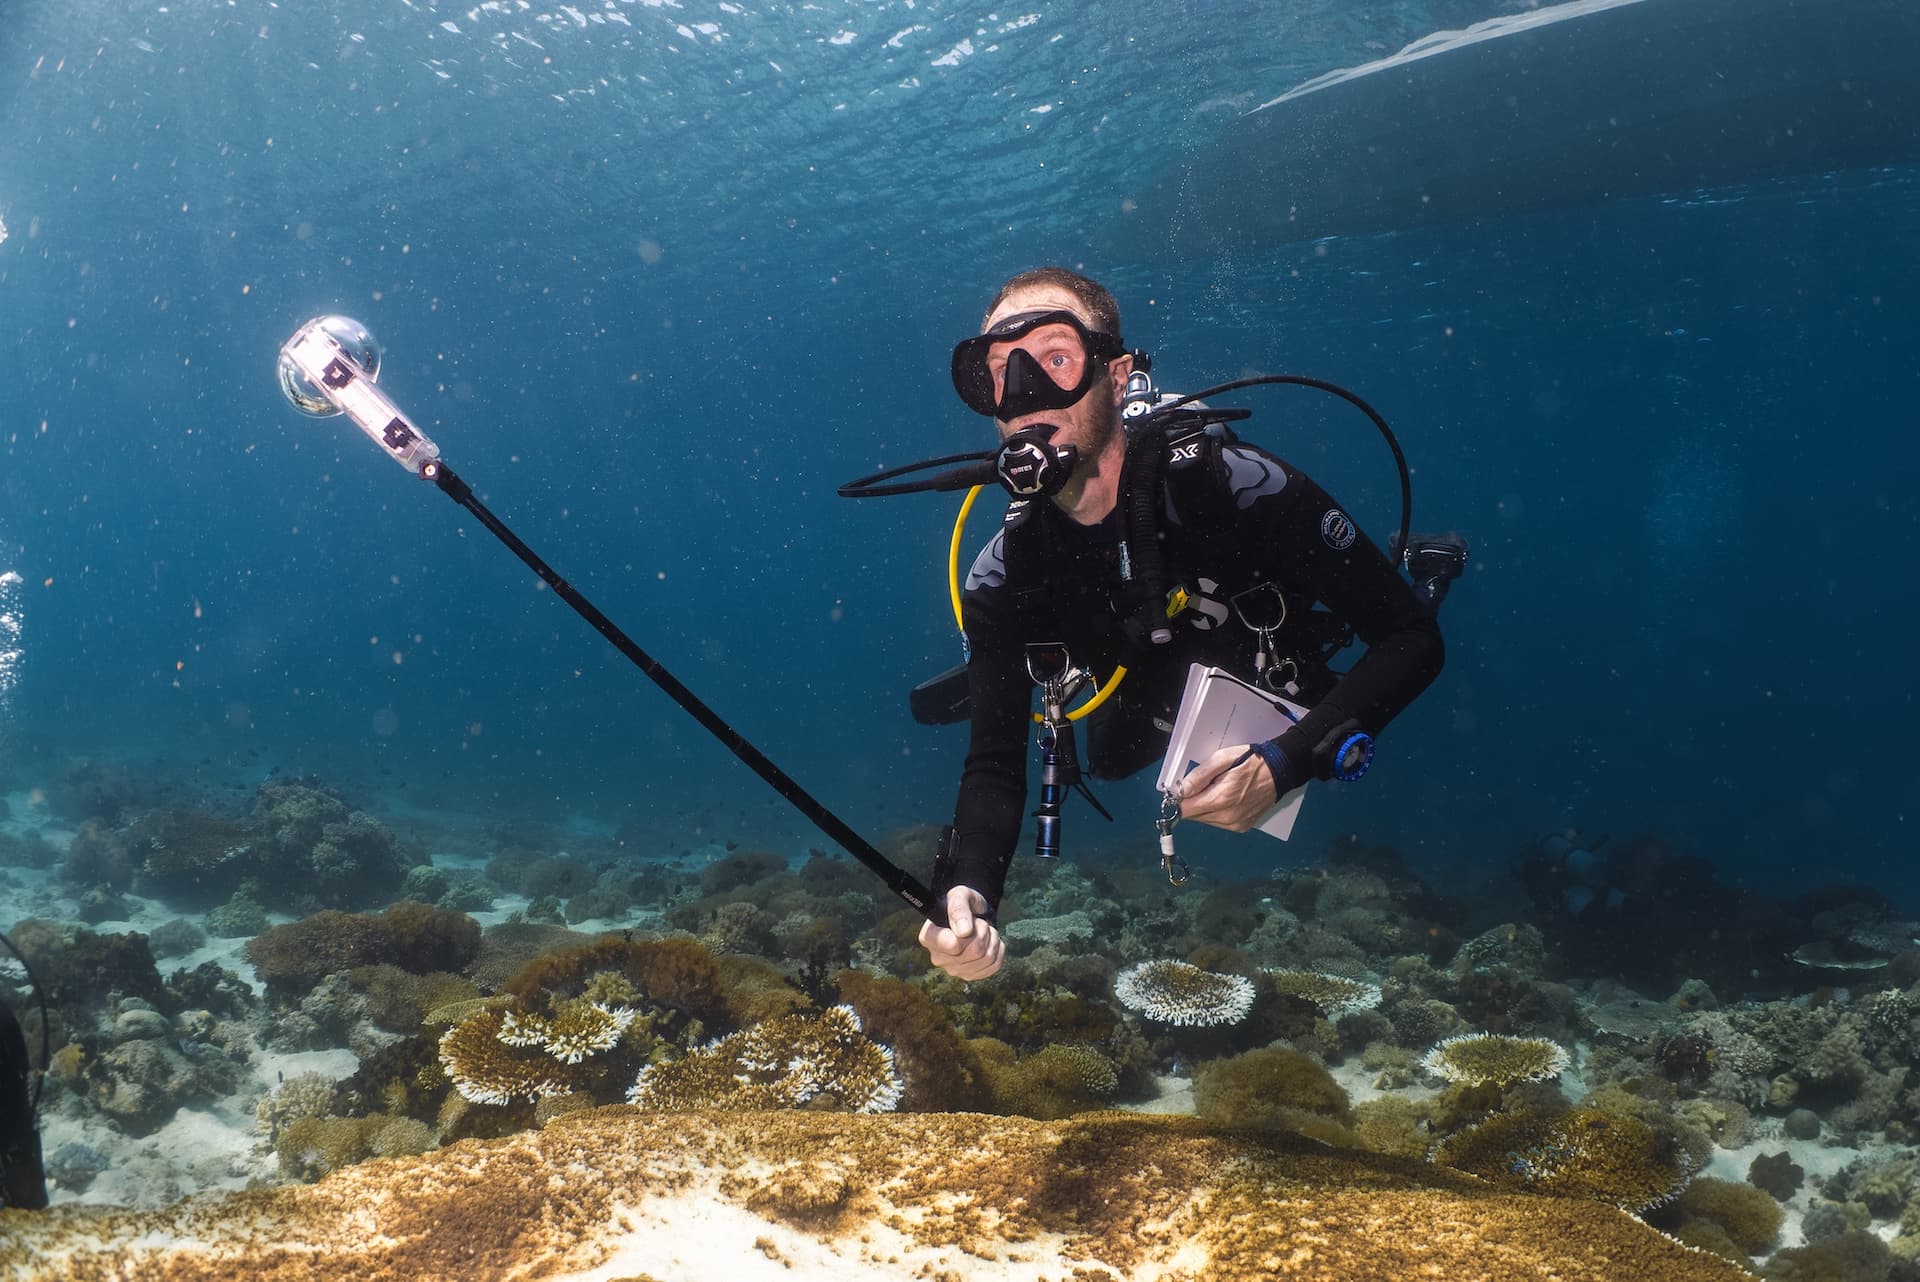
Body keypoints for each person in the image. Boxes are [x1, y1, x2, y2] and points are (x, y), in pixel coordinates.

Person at [919, 267, 1447, 981]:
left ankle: (1427, 573)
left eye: (1055, 357)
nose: (1023, 395)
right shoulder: (1002, 574)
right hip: (1138, 681)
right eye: (997, 373)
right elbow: (992, 761)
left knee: (1331, 681)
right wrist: (967, 896)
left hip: (1266, 660)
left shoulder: (1241, 488)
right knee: (1107, 758)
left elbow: (1412, 639)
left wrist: (1286, 760)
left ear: (1117, 373)